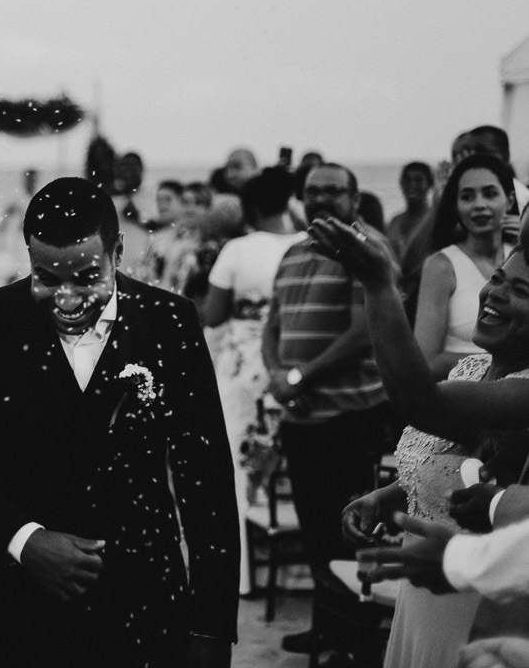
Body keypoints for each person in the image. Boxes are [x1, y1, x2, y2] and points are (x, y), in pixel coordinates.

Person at [0, 176, 240, 668]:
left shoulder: (168, 322)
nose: (67, 297)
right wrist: (24, 541)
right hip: (24, 617)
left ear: (118, 250)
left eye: (87, 276)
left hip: (145, 610)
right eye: (47, 277)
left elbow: (207, 482)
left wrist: (211, 626)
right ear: (28, 255)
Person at [309, 214, 529, 668]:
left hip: (471, 598)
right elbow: (454, 467)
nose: (495, 295)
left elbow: (419, 401)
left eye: (521, 293)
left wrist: (378, 285)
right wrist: (390, 495)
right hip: (421, 593)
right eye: (497, 280)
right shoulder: (471, 369)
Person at [262, 162, 397, 656]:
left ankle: (351, 638)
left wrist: (300, 376)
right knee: (317, 531)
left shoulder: (366, 250)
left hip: (348, 416)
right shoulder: (293, 252)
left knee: (349, 530)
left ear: (354, 200)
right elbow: (273, 325)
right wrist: (279, 376)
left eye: (333, 192)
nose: (320, 199)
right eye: (312, 191)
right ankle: (327, 627)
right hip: (301, 417)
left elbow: (363, 333)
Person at [203, 167, 304, 595]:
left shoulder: (237, 250)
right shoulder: (308, 244)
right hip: (296, 362)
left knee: (237, 466)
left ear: (252, 208)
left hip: (244, 368)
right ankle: (298, 571)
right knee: (291, 465)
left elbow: (212, 315)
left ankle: (242, 576)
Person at [415, 154, 516, 380]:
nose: (479, 205)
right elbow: (427, 360)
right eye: (467, 196)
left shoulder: (521, 258)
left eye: (490, 194)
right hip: (463, 401)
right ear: (455, 206)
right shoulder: (441, 266)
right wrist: (505, 362)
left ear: (509, 201)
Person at [386, 162, 435, 262]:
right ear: (401, 184)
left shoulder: (434, 219)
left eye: (418, 180)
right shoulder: (394, 221)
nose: (412, 185)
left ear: (429, 184)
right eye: (408, 180)